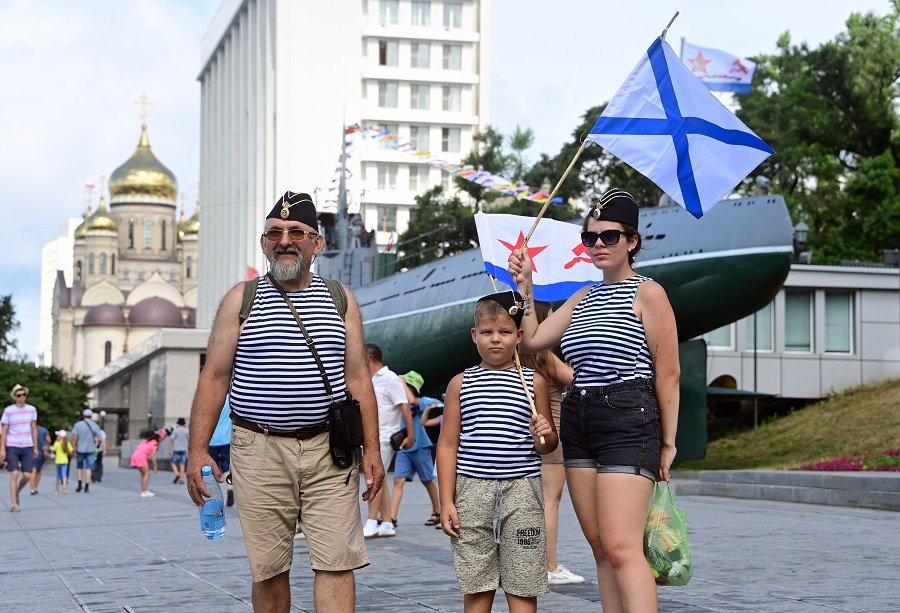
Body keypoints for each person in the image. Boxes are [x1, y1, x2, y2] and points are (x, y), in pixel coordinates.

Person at [185, 191, 384, 613]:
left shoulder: (341, 299)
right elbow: (214, 377)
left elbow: (358, 378)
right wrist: (197, 450)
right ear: (263, 243)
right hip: (258, 449)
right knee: (270, 568)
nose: (285, 240)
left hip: (331, 451)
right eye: (274, 232)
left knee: (336, 562)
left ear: (317, 243)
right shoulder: (241, 299)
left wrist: (372, 449)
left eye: (297, 232)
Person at [508, 188, 680, 613]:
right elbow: (532, 341)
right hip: (579, 417)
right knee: (601, 547)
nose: (599, 245)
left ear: (632, 241)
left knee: (623, 548)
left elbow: (669, 372)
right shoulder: (583, 296)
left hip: (629, 416)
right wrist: (525, 285)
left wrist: (669, 442)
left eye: (610, 237)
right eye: (590, 238)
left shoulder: (649, 293)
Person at [437, 291, 558, 613]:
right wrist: (446, 500)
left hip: (523, 490)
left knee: (523, 579)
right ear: (474, 336)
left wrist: (543, 435)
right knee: (476, 580)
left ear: (518, 337)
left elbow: (547, 446)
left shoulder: (534, 383)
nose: (496, 340)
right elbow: (448, 444)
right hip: (472, 488)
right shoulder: (460, 384)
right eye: (488, 333)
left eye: (504, 332)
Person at [519, 301, 585, 586]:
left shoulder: (517, 356)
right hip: (552, 437)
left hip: (526, 438)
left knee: (531, 503)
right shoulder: (544, 357)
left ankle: (529, 561)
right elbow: (580, 379)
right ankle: (549, 565)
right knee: (550, 502)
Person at [362, 342, 414, 538]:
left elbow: (405, 408)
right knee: (380, 481)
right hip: (373, 436)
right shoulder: (371, 379)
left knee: (372, 479)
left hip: (384, 436)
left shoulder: (390, 378)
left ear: (368, 358)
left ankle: (372, 521)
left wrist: (410, 435)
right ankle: (386, 523)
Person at [390, 370, 441, 527]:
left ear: (411, 387)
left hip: (420, 446)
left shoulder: (424, 401)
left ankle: (437, 511)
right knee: (398, 480)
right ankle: (392, 517)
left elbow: (413, 401)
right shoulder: (399, 402)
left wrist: (402, 381)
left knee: (427, 480)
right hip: (404, 447)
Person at [0, 384, 38, 512]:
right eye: (19, 395)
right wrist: (2, 449)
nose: (21, 397)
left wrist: (35, 447)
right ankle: (14, 504)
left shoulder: (32, 409)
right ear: (15, 397)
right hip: (13, 445)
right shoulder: (8, 410)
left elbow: (34, 429)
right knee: (15, 473)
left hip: (27, 444)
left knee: (27, 475)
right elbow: (4, 431)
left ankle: (17, 492)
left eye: (23, 394)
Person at [208, 398, 234, 507]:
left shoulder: (211, 399)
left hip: (212, 440)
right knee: (226, 468)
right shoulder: (230, 400)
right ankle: (230, 489)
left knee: (212, 469)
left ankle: (213, 495)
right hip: (226, 439)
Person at [70, 408, 102, 492]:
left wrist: (74, 448)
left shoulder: (78, 425)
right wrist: (97, 445)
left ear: (83, 416)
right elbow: (100, 438)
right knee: (89, 467)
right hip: (91, 449)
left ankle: (79, 484)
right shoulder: (95, 425)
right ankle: (87, 485)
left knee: (79, 467)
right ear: (91, 416)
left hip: (80, 449)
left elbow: (74, 438)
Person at [130, 428, 166, 497]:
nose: (163, 440)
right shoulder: (155, 444)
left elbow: (138, 447)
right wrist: (155, 466)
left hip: (135, 455)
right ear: (159, 437)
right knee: (147, 474)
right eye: (163, 438)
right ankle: (144, 491)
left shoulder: (147, 440)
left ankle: (143, 490)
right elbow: (153, 456)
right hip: (141, 457)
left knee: (143, 474)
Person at [30, 417, 52, 495]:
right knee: (38, 470)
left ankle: (32, 488)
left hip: (31, 452)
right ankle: (35, 487)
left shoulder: (29, 430)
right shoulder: (43, 430)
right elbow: (49, 440)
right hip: (41, 452)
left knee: (33, 470)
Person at [52, 430, 73, 494]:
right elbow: (71, 451)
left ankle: (57, 489)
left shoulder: (57, 443)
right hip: (65, 461)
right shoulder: (67, 443)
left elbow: (53, 449)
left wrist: (56, 441)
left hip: (58, 461)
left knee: (58, 475)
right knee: (64, 475)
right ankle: (64, 489)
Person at [169, 417, 189, 484]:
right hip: (184, 449)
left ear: (178, 423)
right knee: (182, 464)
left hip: (176, 449)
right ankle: (181, 479)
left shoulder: (176, 430)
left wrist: (170, 449)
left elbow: (172, 440)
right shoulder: (187, 430)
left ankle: (177, 474)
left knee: (172, 462)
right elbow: (189, 439)